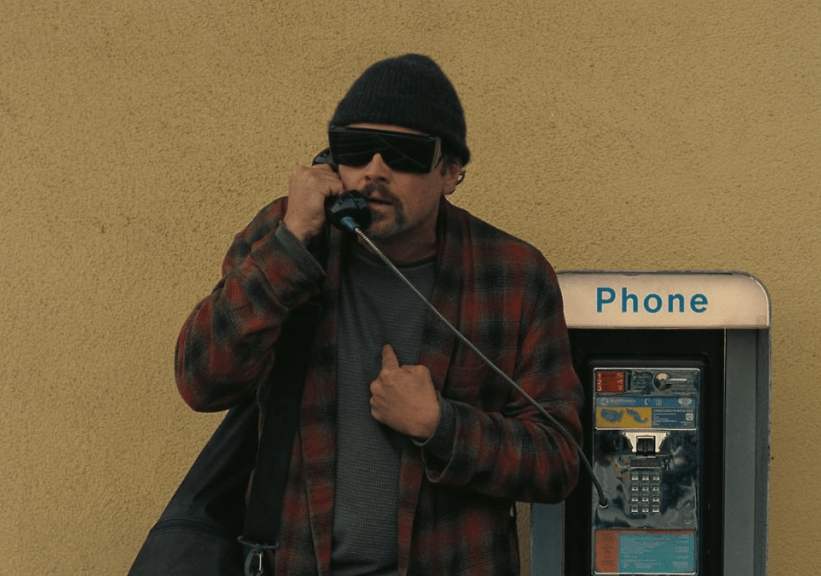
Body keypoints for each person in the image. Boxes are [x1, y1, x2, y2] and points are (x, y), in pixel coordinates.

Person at [174, 53, 583, 576]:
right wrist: (291, 245)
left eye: (403, 154)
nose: (373, 171)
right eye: (353, 150)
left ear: (451, 171)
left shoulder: (513, 276)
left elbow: (558, 460)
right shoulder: (289, 237)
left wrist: (441, 426)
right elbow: (200, 381)